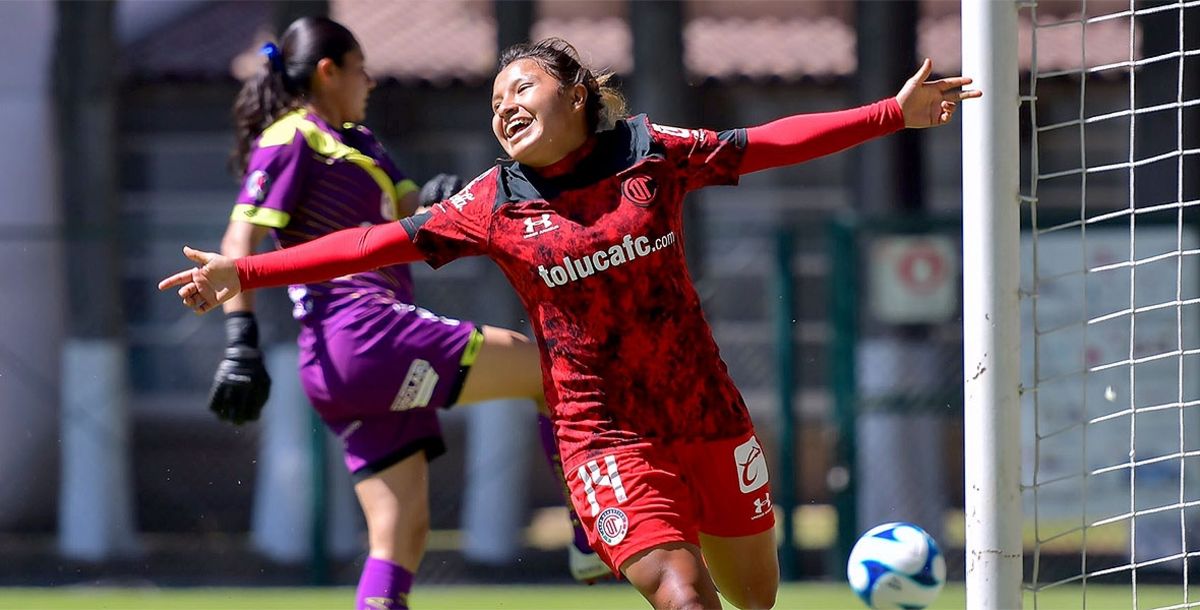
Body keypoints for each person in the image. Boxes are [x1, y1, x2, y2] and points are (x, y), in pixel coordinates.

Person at [162, 37, 980, 610]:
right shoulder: (490, 201)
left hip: (706, 412)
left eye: (520, 88)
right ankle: (604, 535)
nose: (504, 107)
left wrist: (889, 115)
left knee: (752, 595)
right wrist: (248, 272)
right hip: (605, 435)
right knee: (683, 594)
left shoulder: (648, 150)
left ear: (577, 93)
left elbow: (760, 143)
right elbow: (374, 241)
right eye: (494, 102)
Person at [207, 21, 605, 610]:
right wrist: (240, 342)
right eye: (360, 67)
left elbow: (415, 210)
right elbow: (237, 243)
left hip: (338, 372)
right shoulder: (294, 136)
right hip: (366, 335)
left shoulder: (359, 143)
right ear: (328, 72)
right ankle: (590, 533)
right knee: (550, 371)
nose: (369, 80)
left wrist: (452, 195)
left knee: (398, 538)